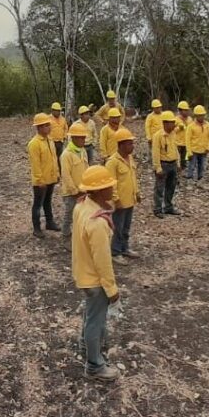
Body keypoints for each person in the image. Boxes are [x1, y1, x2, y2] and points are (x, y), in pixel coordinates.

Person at [72, 165, 121, 382]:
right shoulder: (99, 223)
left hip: (82, 272)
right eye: (109, 186)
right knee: (96, 320)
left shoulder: (82, 206)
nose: (112, 189)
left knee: (90, 315)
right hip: (94, 279)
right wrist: (111, 289)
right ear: (100, 191)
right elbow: (103, 261)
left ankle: (86, 342)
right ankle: (94, 365)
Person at [106, 127, 140, 260]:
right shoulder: (112, 162)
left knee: (126, 226)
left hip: (130, 199)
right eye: (129, 143)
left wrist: (137, 192)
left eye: (132, 143)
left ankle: (125, 248)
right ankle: (115, 252)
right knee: (117, 228)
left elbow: (133, 176)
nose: (132, 146)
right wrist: (116, 199)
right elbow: (110, 183)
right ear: (121, 145)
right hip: (119, 202)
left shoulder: (130, 159)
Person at [28, 112, 61, 238]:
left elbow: (54, 159)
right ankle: (36, 228)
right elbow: (35, 165)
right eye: (46, 125)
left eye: (48, 124)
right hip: (41, 181)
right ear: (39, 127)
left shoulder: (50, 140)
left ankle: (49, 222)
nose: (49, 127)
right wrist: (39, 181)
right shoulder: (34, 144)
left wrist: (57, 174)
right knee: (38, 204)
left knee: (48, 201)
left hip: (50, 178)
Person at [60, 122, 90, 247]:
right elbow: (66, 175)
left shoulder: (82, 151)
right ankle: (65, 237)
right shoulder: (66, 155)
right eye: (81, 137)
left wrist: (88, 187)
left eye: (84, 137)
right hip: (71, 193)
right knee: (69, 215)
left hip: (83, 190)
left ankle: (79, 237)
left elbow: (87, 168)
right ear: (74, 138)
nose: (84, 140)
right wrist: (75, 191)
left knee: (82, 216)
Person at [152, 111, 182, 217]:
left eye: (174, 122)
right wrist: (158, 168)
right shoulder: (158, 136)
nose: (173, 125)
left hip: (172, 163)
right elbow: (155, 153)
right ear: (165, 123)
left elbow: (175, 148)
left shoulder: (173, 134)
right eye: (171, 122)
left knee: (171, 186)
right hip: (163, 164)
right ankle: (158, 209)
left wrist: (178, 163)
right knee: (159, 188)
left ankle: (168, 207)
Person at [185, 105, 209, 181]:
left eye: (203, 115)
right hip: (194, 149)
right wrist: (189, 151)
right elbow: (187, 139)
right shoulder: (191, 126)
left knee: (202, 165)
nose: (202, 117)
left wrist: (208, 146)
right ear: (196, 116)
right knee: (192, 164)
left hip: (203, 149)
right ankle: (189, 177)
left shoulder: (207, 125)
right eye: (200, 115)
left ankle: (200, 177)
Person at [174, 101, 191, 172]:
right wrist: (179, 128)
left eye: (187, 110)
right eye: (185, 110)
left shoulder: (190, 119)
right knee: (177, 157)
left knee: (184, 157)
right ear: (180, 110)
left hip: (186, 142)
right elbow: (171, 131)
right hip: (177, 142)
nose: (187, 112)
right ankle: (177, 168)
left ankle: (183, 168)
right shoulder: (175, 119)